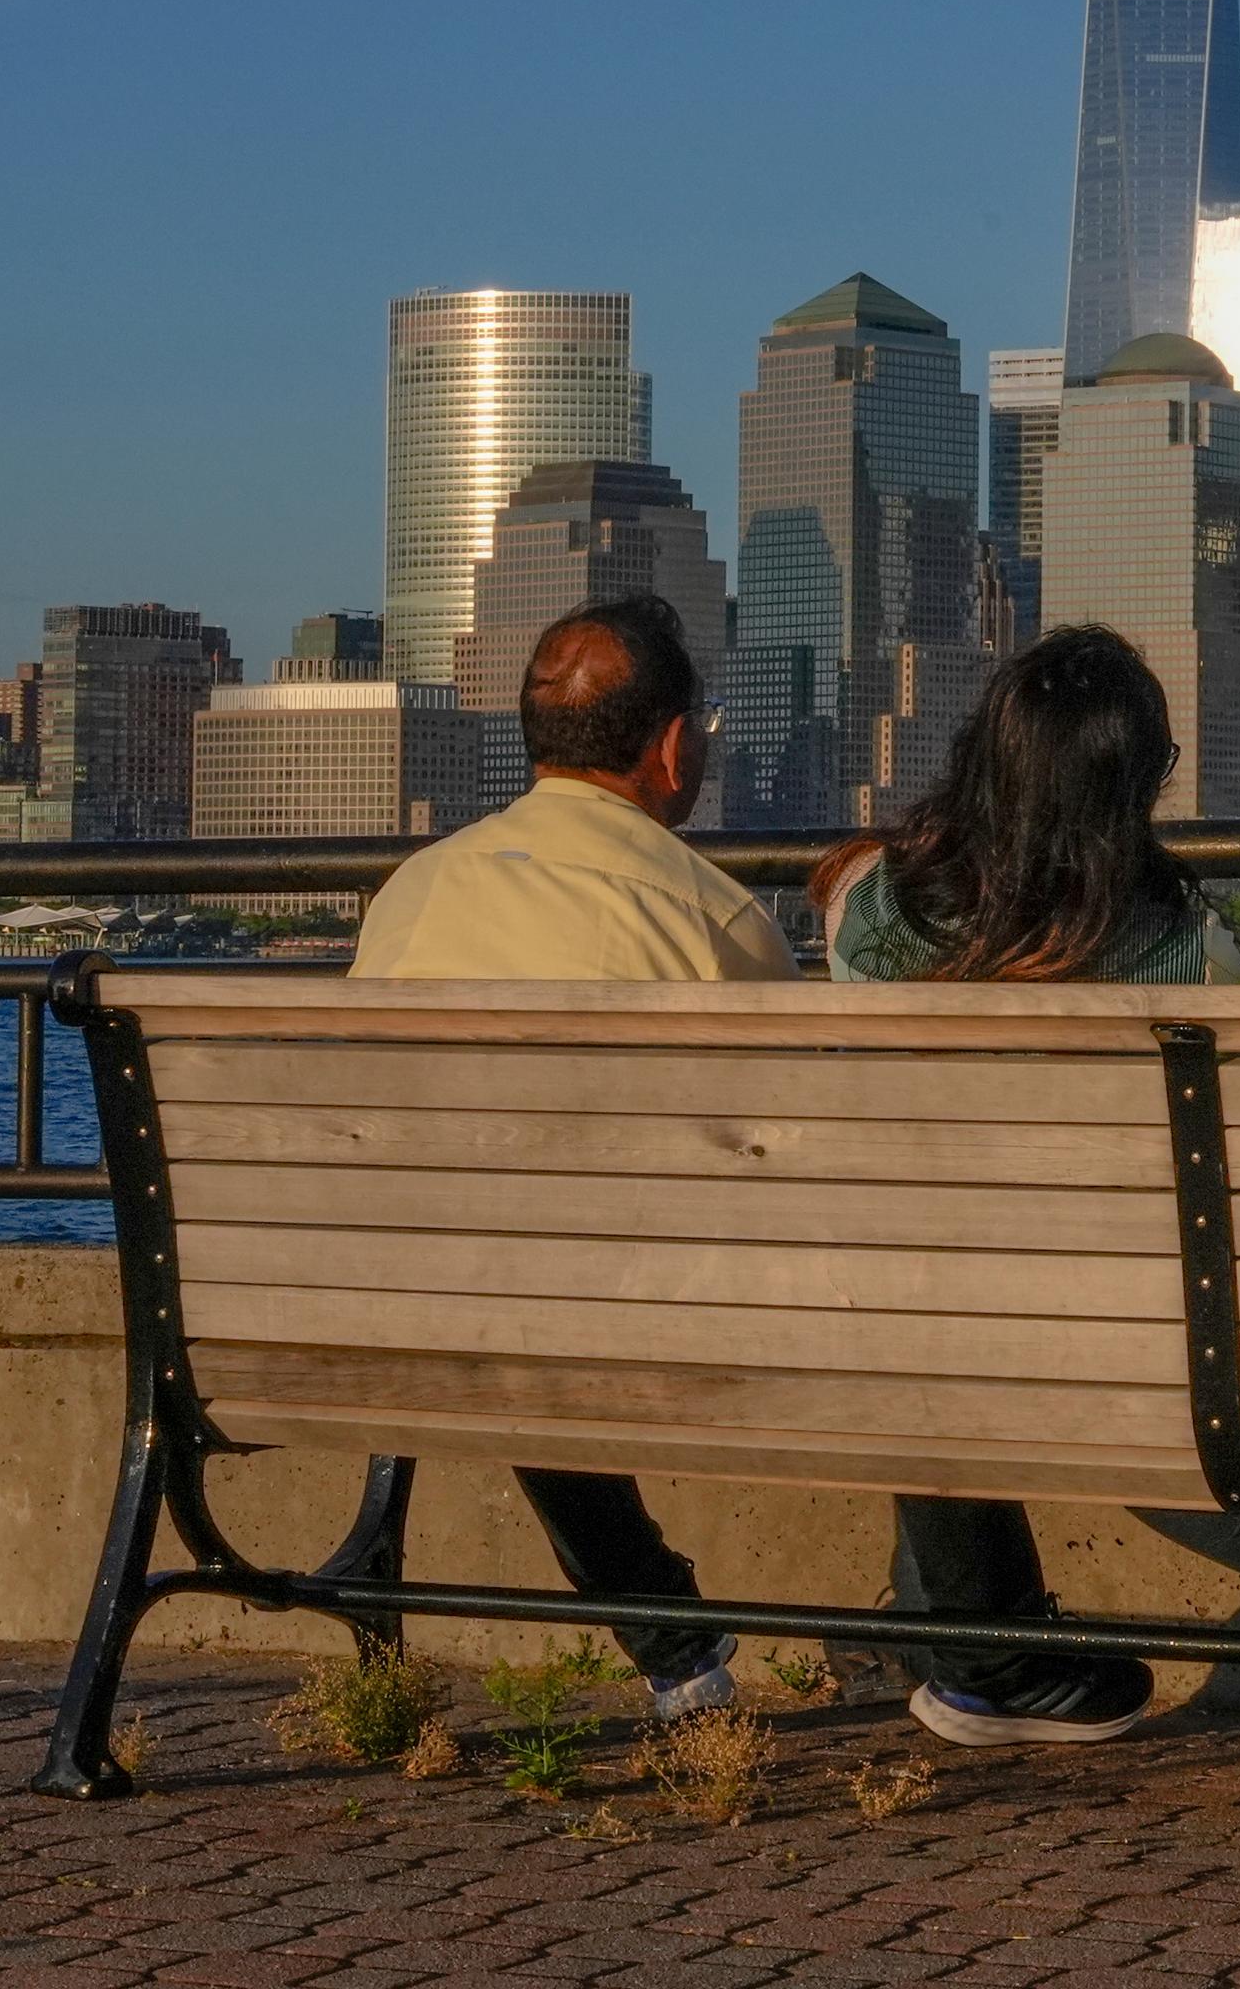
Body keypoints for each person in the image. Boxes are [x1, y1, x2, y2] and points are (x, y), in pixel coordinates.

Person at [810, 626, 1240, 1768]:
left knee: (941, 1325)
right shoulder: (1190, 949)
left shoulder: (866, 913)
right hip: (1125, 1344)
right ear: (1134, 788)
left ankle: (975, 1656)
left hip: (911, 1328)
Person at [351, 592, 787, 1722]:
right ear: (676, 747)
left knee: (506, 1287)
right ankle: (979, 1644)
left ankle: (672, 1643)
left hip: (368, 1308)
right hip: (622, 1320)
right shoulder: (716, 919)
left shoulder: (411, 894)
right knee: (549, 1293)